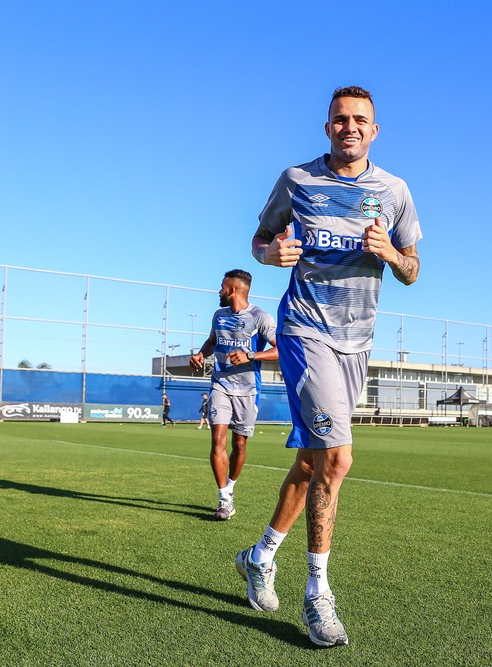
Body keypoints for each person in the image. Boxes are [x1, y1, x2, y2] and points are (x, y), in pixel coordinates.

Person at [235, 85, 422, 647]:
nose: (350, 128)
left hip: (357, 343)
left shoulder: (394, 192)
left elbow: (413, 269)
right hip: (304, 329)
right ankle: (318, 593)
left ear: (375, 130)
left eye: (360, 121)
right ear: (327, 128)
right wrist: (270, 255)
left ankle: (260, 555)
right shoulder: (298, 180)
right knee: (338, 460)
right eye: (340, 120)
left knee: (318, 464)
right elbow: (259, 239)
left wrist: (390, 253)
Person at [189, 270, 278, 521]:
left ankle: (231, 486)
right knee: (218, 440)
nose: (219, 291)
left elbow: (281, 349)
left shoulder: (260, 317)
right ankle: (223, 497)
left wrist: (250, 355)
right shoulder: (218, 316)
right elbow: (211, 342)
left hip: (249, 390)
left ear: (233, 290)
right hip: (220, 385)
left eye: (222, 287)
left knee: (239, 445)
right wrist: (200, 354)